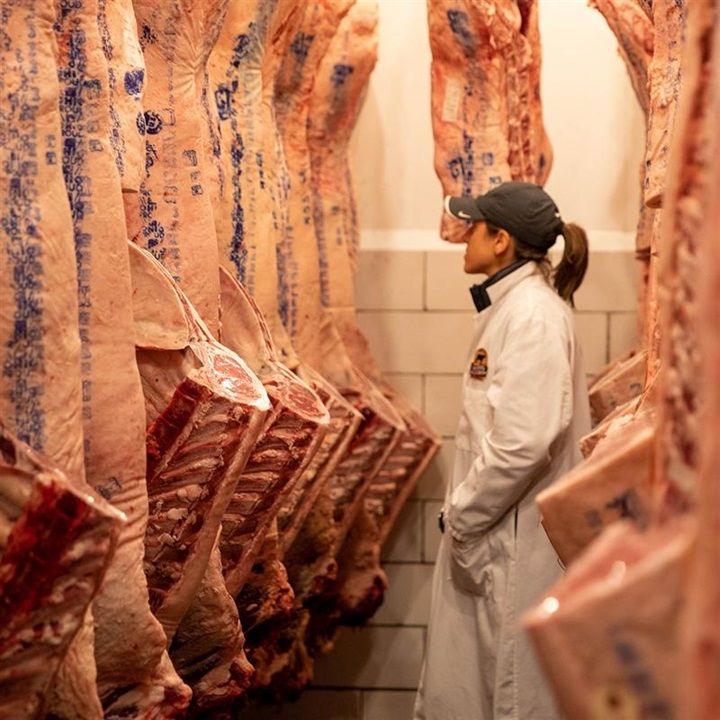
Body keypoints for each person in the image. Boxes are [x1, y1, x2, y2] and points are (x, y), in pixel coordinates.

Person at [413, 181, 591, 720]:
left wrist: (463, 518)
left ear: (501, 241)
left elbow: (524, 441)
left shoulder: (532, 315)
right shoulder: (516, 308)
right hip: (497, 541)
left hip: (511, 549)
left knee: (509, 698)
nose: (464, 239)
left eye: (474, 227)